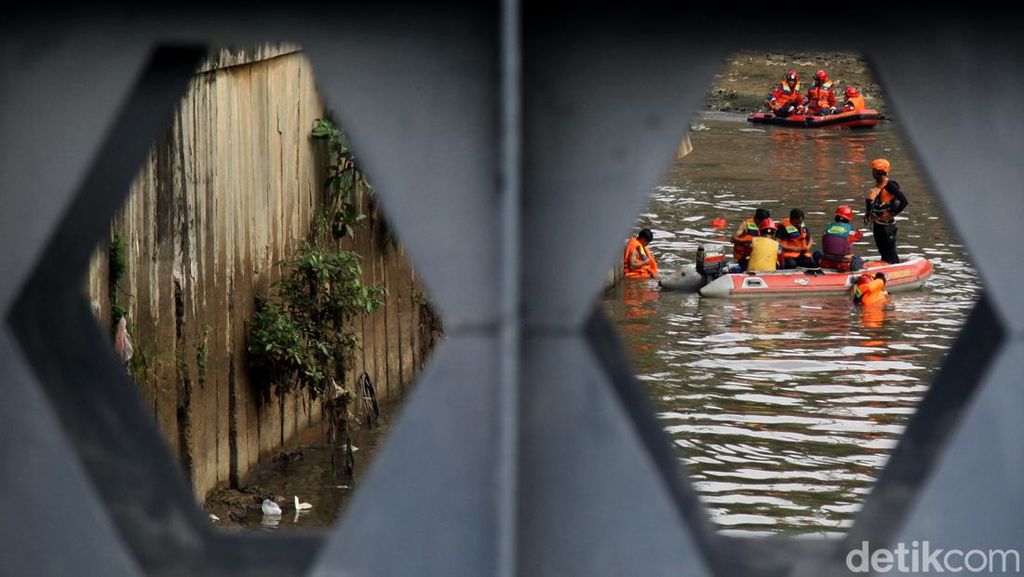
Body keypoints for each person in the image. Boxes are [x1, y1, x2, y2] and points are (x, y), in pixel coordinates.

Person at [864, 158, 909, 264]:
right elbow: (872, 204)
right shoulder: (877, 186)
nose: (872, 173)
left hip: (887, 226)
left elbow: (904, 201)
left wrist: (891, 214)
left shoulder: (890, 186)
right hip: (877, 224)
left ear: (880, 172)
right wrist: (868, 214)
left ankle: (895, 269)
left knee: (890, 253)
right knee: (883, 252)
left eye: (874, 171)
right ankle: (885, 266)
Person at [814, 205, 863, 271]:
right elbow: (859, 236)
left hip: (826, 262)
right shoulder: (851, 229)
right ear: (849, 218)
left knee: (816, 254)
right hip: (842, 263)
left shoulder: (829, 226)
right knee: (859, 260)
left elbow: (824, 238)